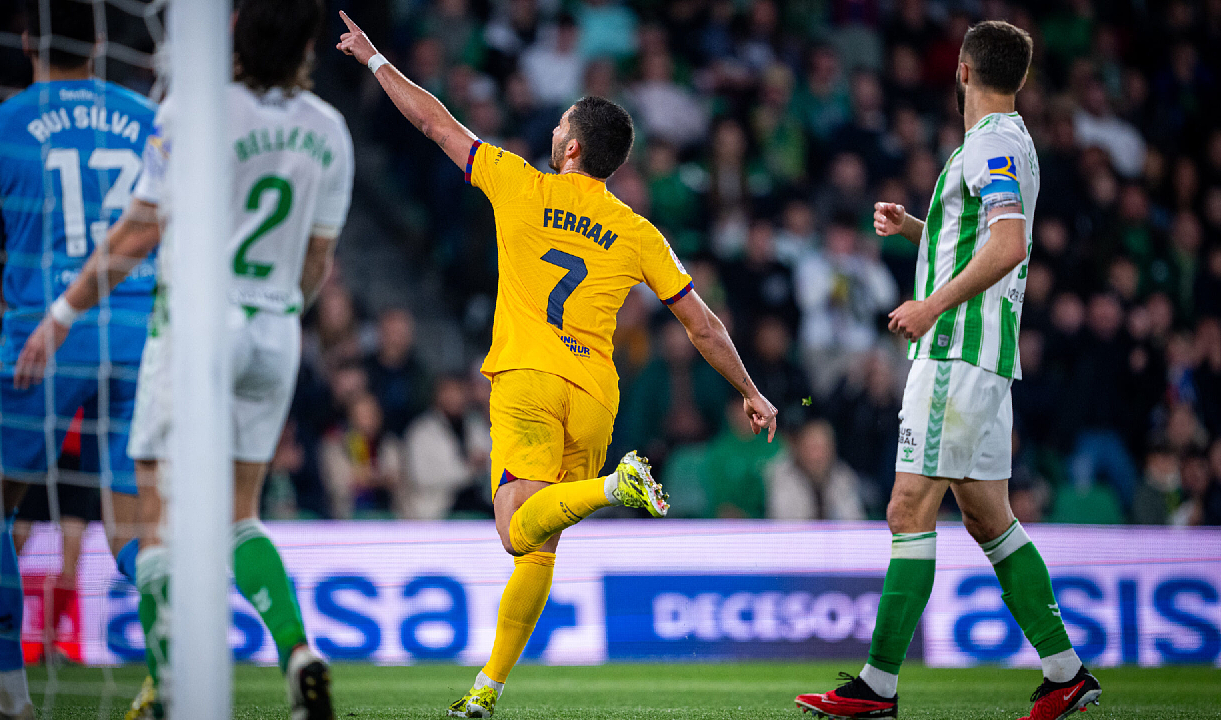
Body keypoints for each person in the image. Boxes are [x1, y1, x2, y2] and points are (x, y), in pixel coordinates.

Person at [337, 12, 778, 718]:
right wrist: (752, 391)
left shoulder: (519, 182)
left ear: (569, 147)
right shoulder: (638, 230)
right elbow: (701, 323)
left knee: (515, 530)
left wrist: (375, 60)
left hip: (528, 379)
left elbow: (436, 125)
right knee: (538, 546)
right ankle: (487, 690)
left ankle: (613, 488)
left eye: (558, 128)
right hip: (595, 394)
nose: (550, 134)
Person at [15, 1, 350, 718]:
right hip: (276, 329)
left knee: (153, 514)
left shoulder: (195, 111)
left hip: (198, 324)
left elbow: (138, 233)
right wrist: (279, 311)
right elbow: (318, 259)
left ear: (233, 35)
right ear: (307, 47)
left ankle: (168, 685)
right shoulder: (331, 130)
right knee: (239, 512)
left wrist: (63, 313)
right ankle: (298, 651)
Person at [794, 21, 1101, 720]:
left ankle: (877, 685)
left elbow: (1010, 243)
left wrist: (930, 305)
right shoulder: (1009, 141)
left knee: (907, 508)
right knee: (990, 518)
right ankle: (1066, 671)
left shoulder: (990, 142)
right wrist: (913, 228)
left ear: (962, 70)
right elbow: (980, 239)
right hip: (986, 357)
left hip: (957, 350)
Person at [0, 4, 157, 717]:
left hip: (45, 343)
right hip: (142, 337)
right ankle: (177, 663)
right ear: (100, 40)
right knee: (134, 527)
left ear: (25, 40)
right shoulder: (147, 118)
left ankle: (9, 698)